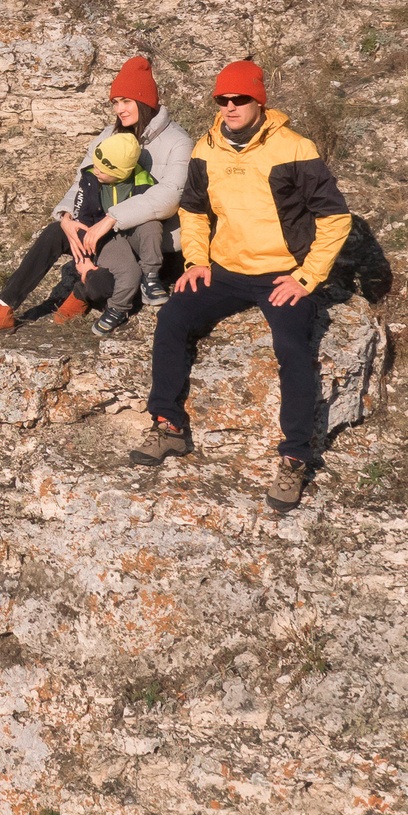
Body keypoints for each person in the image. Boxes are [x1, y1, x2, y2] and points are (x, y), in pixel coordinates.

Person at [127, 60, 352, 513]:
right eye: (222, 100)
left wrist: (307, 277)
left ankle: (294, 458)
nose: (230, 107)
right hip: (225, 271)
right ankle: (169, 427)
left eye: (239, 99)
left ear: (258, 100)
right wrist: (196, 259)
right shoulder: (207, 148)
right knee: (171, 319)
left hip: (281, 273)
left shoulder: (294, 148)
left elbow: (335, 217)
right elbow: (192, 210)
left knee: (291, 347)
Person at [0, 56, 197, 339]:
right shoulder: (108, 135)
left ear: (144, 100)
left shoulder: (178, 141)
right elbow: (81, 181)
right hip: (107, 232)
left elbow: (170, 195)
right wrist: (65, 217)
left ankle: (81, 292)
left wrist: (111, 219)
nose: (119, 109)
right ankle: (2, 309)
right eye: (115, 102)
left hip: (147, 241)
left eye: (126, 101)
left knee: (109, 283)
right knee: (55, 233)